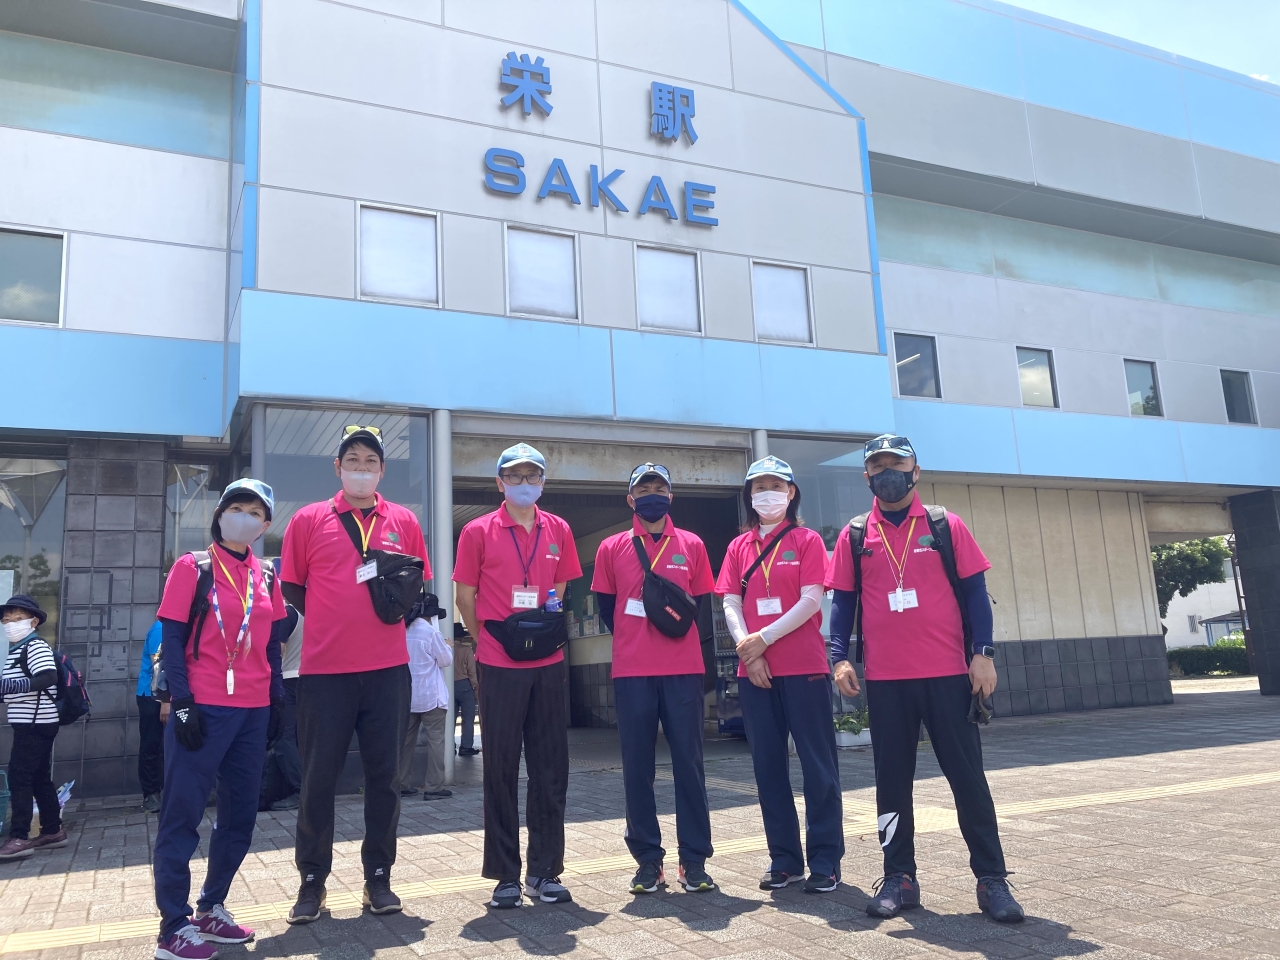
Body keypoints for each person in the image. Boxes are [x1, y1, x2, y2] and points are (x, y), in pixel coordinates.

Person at [825, 435, 1024, 923]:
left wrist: (982, 654)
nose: (887, 471)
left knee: (968, 781)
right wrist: (838, 657)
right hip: (889, 682)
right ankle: (899, 877)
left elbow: (976, 594)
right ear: (866, 476)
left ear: (915, 471)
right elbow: (843, 604)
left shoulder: (944, 524)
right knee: (891, 783)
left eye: (897, 463)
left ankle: (991, 879)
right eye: (877, 465)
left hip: (948, 677)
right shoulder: (855, 535)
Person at [279, 425, 430, 922]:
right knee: (318, 780)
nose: (361, 468)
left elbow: (413, 587)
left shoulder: (404, 520)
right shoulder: (307, 520)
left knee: (384, 779)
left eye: (370, 461)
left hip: (388, 671)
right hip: (323, 672)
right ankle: (311, 883)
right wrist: (335, 625)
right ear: (338, 468)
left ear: (382, 470)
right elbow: (295, 591)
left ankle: (378, 880)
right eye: (353, 460)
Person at [150, 479, 288, 960]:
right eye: (237, 507)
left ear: (266, 525)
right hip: (203, 707)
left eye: (256, 512)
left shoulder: (268, 575)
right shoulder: (194, 566)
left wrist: (276, 695)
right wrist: (181, 700)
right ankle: (172, 926)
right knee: (182, 814)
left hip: (253, 710)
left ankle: (211, 908)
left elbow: (271, 640)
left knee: (240, 816)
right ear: (220, 513)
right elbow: (171, 639)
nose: (245, 517)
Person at [453, 442, 582, 909]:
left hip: (547, 662)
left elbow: (561, 585)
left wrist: (540, 627)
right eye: (515, 476)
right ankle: (505, 874)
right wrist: (488, 636)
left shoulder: (559, 529)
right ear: (499, 483)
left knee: (551, 769)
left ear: (543, 483)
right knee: (500, 769)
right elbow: (465, 594)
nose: (524, 484)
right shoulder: (477, 531)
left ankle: (545, 872)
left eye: (533, 477)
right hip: (498, 661)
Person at [714, 456, 844, 894]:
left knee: (818, 766)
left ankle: (825, 861)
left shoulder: (808, 540)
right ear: (750, 497)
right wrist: (749, 653)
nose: (766, 492)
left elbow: (812, 601)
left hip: (804, 667)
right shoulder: (738, 547)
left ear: (791, 492)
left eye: (775, 485)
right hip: (756, 671)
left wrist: (761, 640)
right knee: (768, 767)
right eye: (758, 486)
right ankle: (784, 860)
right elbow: (729, 602)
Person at [592, 463, 717, 895]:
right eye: (643, 488)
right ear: (630, 499)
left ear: (670, 496)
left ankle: (694, 861)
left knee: (690, 766)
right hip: (632, 673)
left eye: (659, 486)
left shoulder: (693, 545)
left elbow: (698, 604)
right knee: (637, 769)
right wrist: (637, 635)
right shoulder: (612, 547)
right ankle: (648, 861)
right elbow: (607, 608)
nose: (651, 493)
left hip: (683, 672)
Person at [0, 595, 67, 861]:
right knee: (38, 776)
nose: (10, 625)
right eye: (6, 620)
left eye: (17, 619)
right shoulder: (16, 650)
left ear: (34, 621)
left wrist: (9, 687)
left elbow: (47, 677)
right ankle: (52, 830)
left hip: (36, 722)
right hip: (31, 722)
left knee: (19, 777)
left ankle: (19, 837)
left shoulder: (35, 647)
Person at [398, 603, 452, 801]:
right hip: (432, 696)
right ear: (432, 616)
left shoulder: (403, 630)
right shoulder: (430, 633)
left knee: (405, 743)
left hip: (409, 696)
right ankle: (434, 787)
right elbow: (445, 660)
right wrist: (448, 646)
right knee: (436, 742)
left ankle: (402, 784)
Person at [270, 591, 303, 812]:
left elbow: (278, 649)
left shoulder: (289, 613)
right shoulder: (312, 614)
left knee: (284, 737)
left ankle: (300, 790)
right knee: (303, 738)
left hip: (289, 678)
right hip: (312, 680)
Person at [138, 619, 167, 813]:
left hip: (170, 696)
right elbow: (159, 666)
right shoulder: (160, 628)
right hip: (152, 696)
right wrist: (166, 700)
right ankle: (150, 794)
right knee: (152, 744)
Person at [452, 623, 479, 756]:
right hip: (465, 686)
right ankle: (466, 746)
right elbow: (471, 672)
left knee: (450, 719)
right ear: (462, 637)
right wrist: (476, 687)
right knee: (468, 718)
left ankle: (449, 746)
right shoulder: (466, 651)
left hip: (449, 685)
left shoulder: (446, 649)